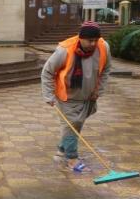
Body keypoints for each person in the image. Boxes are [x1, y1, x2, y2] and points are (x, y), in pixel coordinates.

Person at [41, 21, 111, 172]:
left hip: (89, 96)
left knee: (75, 125)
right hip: (67, 96)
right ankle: (71, 158)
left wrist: (99, 90)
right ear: (80, 38)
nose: (93, 44)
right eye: (89, 40)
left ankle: (61, 149)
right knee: (72, 124)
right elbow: (47, 72)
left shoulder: (104, 47)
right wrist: (48, 95)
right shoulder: (64, 51)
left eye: (95, 40)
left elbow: (106, 69)